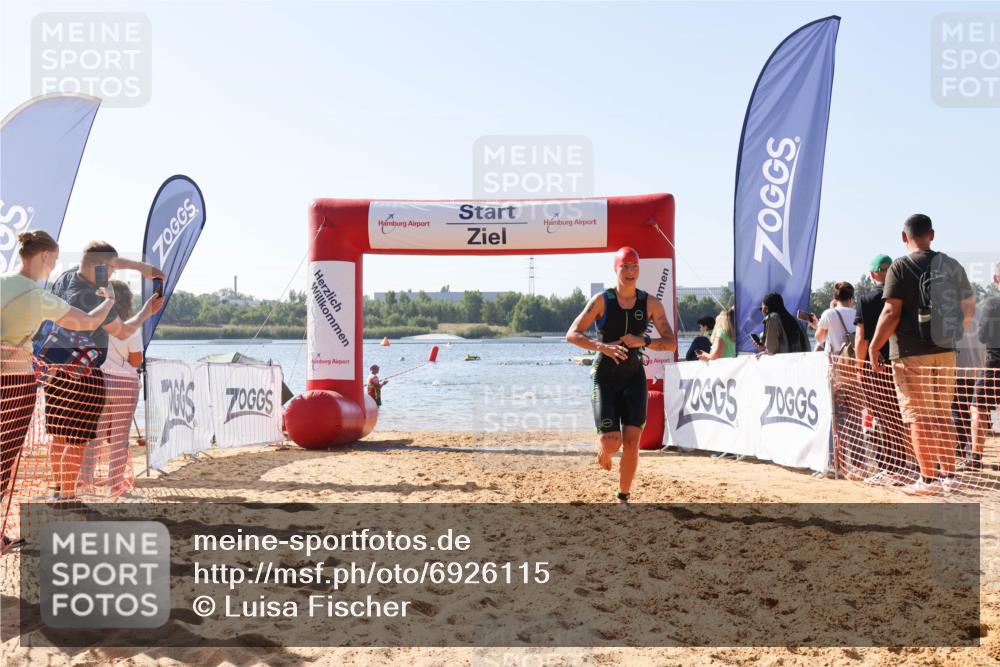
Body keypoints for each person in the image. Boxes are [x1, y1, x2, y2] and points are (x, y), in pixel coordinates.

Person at [1, 231, 116, 544]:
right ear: (44, 257)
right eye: (52, 260)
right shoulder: (38, 296)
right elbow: (88, 322)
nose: (52, 267)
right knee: (5, 456)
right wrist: (108, 302)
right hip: (14, 381)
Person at [36, 241, 164, 501]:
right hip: (81, 373)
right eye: (111, 270)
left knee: (58, 434)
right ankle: (68, 495)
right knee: (77, 439)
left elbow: (105, 261)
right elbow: (123, 331)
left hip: (55, 367)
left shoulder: (68, 275)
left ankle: (59, 490)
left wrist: (141, 267)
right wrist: (145, 312)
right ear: (102, 269)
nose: (114, 274)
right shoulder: (91, 297)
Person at [869, 214, 976, 495]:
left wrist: (874, 345)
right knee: (942, 413)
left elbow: (891, 312)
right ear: (932, 234)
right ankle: (950, 476)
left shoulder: (900, 267)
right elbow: (969, 308)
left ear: (904, 237)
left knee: (919, 417)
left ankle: (928, 480)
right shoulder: (952, 265)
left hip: (909, 352)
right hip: (946, 351)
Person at [566, 247, 678, 506]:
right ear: (615, 270)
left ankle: (623, 496)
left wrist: (644, 340)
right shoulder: (602, 300)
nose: (630, 272)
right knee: (612, 443)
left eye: (634, 266)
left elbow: (671, 343)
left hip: (633, 377)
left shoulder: (650, 302)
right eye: (624, 267)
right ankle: (603, 445)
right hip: (604, 375)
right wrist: (602, 347)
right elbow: (572, 334)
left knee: (632, 442)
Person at [79, 280, 144, 495]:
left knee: (94, 435)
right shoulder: (132, 327)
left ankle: (85, 481)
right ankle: (114, 484)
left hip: (99, 380)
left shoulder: (96, 324)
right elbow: (136, 361)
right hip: (125, 383)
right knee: (119, 436)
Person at [854, 254, 912, 485]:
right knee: (907, 416)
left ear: (872, 274)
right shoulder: (905, 298)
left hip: (877, 366)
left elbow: (861, 339)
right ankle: (916, 464)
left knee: (883, 418)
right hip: (904, 363)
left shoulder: (867, 299)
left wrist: (860, 367)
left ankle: (892, 467)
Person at [973, 262, 1000, 471]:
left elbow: (982, 335)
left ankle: (975, 456)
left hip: (994, 363)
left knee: (979, 408)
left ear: (996, 279)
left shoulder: (992, 304)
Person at [809, 282, 856, 356]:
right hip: (852, 362)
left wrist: (819, 326)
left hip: (835, 362)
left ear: (835, 299)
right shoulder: (857, 314)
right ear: (851, 299)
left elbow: (819, 338)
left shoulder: (829, 313)